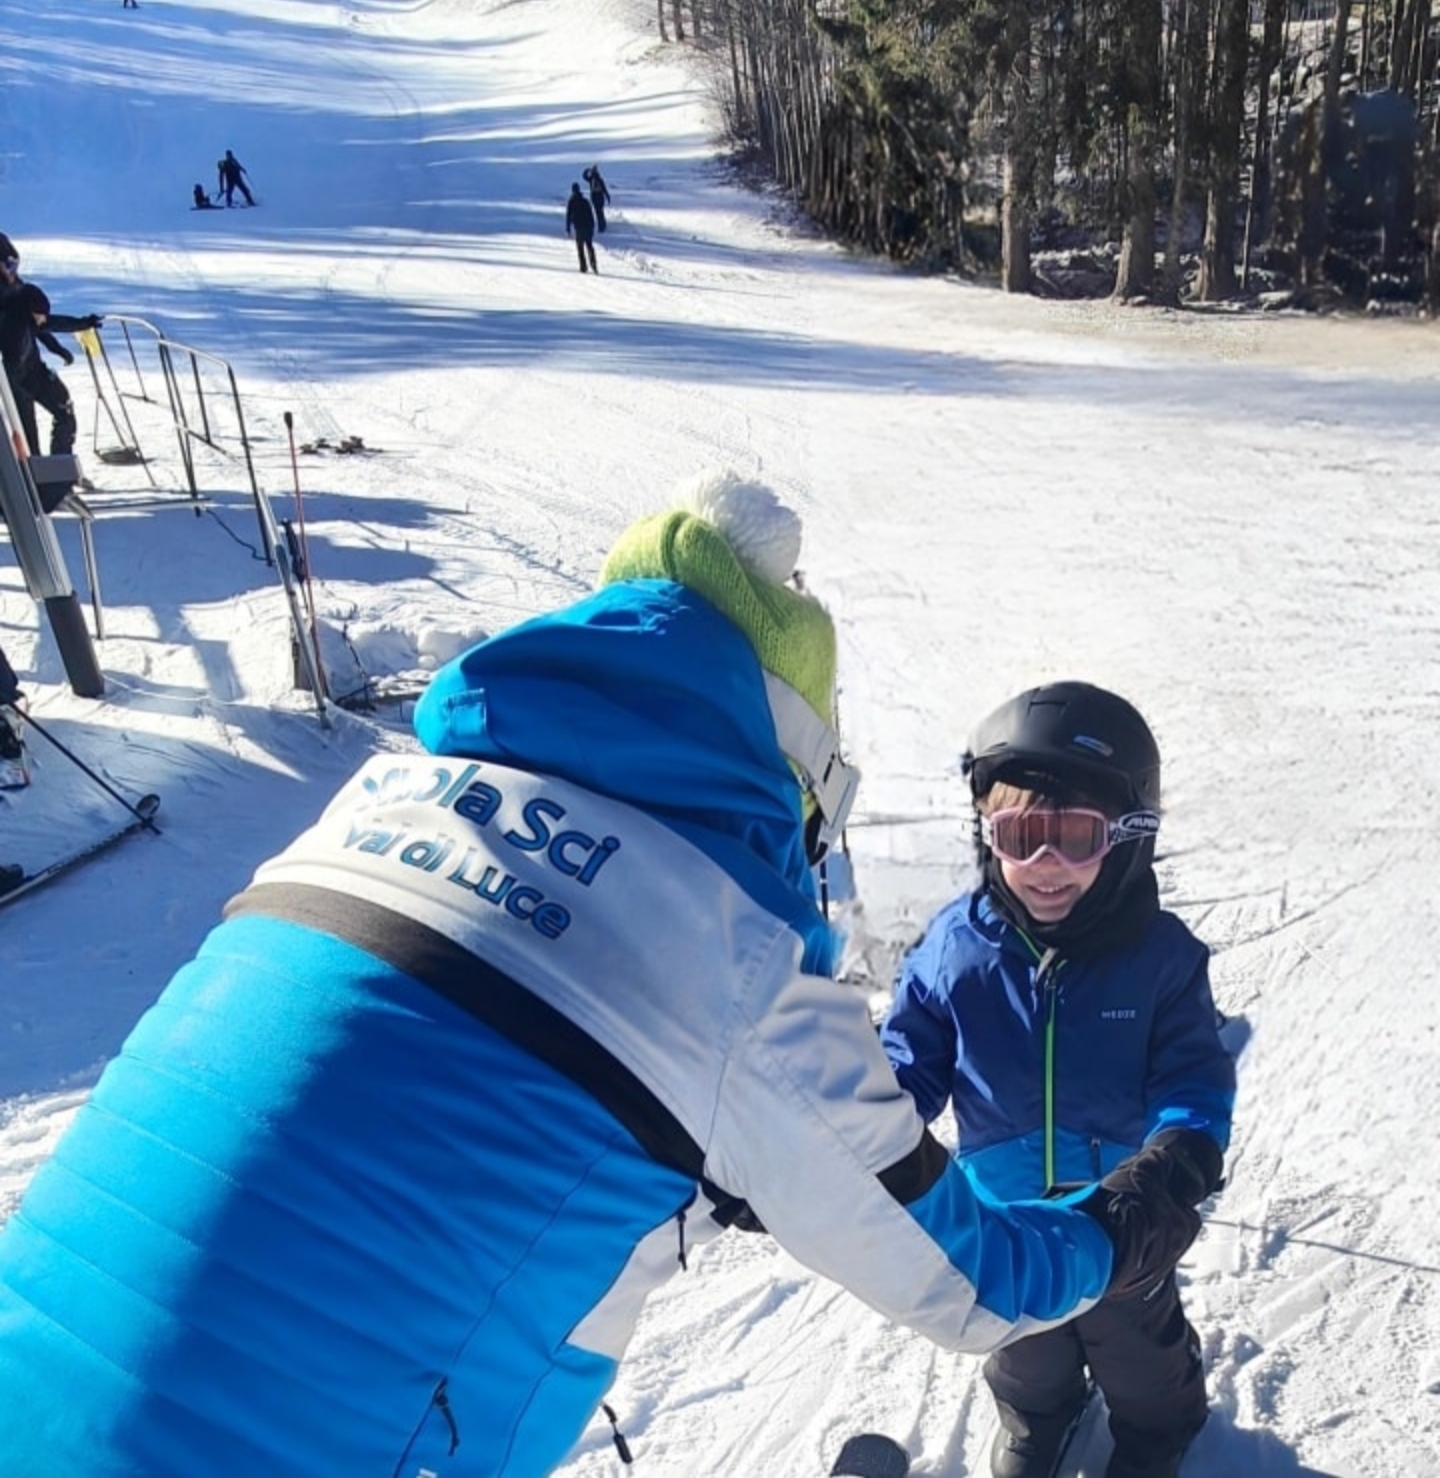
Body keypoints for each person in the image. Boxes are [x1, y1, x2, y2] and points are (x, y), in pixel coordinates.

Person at [0, 478, 1199, 1478]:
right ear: (795, 761)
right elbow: (975, 1285)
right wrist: (1116, 1233)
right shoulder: (732, 959)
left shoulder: (364, 801)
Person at [881, 682, 1235, 1478]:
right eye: (1020, 834)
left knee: (1138, 1346)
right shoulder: (953, 951)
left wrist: (1175, 1158)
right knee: (1023, 1344)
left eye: (1076, 838)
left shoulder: (1162, 960)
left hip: (1121, 1217)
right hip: (1001, 1213)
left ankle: (1157, 1428)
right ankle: (1044, 1415)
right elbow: (910, 1059)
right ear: (987, 836)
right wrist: (869, 1116)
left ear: (1127, 837)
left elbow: (1194, 1078)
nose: (1044, 866)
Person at [0, 233, 101, 459]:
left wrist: (59, 346)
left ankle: (61, 471)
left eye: (14, 263)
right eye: (7, 264)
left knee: (63, 409)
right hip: (11, 376)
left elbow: (39, 323)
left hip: (32, 366)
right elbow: (36, 321)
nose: (12, 270)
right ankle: (37, 484)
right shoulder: (8, 298)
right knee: (27, 434)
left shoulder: (18, 288)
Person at [566, 177, 599, 271]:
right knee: (589, 245)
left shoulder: (571, 201)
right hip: (588, 226)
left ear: (573, 191)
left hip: (579, 227)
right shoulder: (585, 201)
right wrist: (593, 226)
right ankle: (593, 264)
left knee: (580, 248)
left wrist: (568, 228)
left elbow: (568, 215)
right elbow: (591, 213)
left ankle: (583, 267)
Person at [583, 162, 612, 231]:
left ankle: (601, 227)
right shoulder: (600, 179)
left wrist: (587, 170)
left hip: (595, 197)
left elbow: (584, 176)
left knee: (598, 212)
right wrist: (607, 197)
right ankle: (603, 225)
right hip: (600, 197)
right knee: (600, 212)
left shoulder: (591, 179)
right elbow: (604, 189)